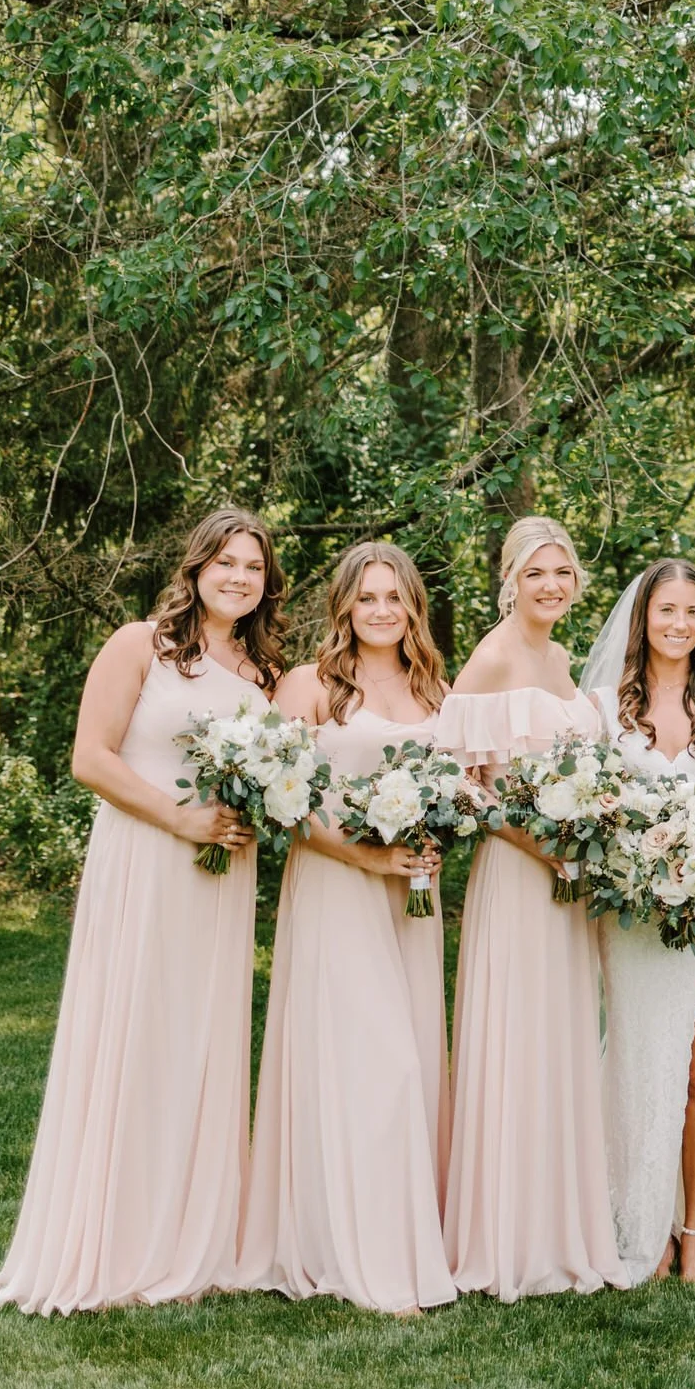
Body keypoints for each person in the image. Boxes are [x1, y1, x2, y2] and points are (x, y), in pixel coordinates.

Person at [0, 507, 285, 1313]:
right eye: (225, 562)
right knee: (135, 1031)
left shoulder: (263, 679)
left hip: (222, 877)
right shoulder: (140, 645)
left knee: (200, 1041)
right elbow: (90, 757)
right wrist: (180, 818)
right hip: (147, 862)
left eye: (253, 567)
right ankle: (112, 1243)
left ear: (267, 583)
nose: (238, 578)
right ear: (194, 569)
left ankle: (191, 1238)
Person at [239, 541, 455, 1313]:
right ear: (345, 606)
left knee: (413, 1056)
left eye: (394, 597)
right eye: (367, 598)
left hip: (413, 898)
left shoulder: (436, 687)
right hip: (338, 886)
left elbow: (453, 785)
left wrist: (430, 836)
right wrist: (366, 858)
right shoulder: (309, 686)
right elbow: (281, 801)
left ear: (413, 606)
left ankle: (399, 1234)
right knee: (373, 1063)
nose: (382, 611)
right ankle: (367, 1260)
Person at [436, 514, 627, 1300]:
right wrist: (543, 846)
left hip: (567, 880)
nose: (551, 586)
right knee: (516, 1038)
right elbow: (459, 785)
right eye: (535, 573)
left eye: (562, 573)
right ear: (509, 579)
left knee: (560, 1036)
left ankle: (559, 1225)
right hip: (520, 877)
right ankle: (506, 1236)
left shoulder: (558, 657)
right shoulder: (493, 657)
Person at [585, 557, 695, 1282]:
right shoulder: (601, 706)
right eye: (667, 612)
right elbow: (593, 809)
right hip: (635, 910)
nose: (680, 625)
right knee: (637, 1059)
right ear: (643, 619)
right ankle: (640, 1225)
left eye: (693, 613)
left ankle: (692, 1234)